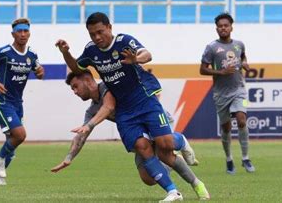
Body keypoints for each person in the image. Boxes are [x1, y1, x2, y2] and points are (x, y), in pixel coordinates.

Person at [56, 12, 185, 202]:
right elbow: (76, 68)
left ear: (109, 27)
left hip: (146, 106)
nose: (97, 37)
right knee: (147, 175)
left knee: (165, 147)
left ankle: (180, 143)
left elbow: (146, 54)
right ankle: (173, 191)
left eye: (100, 32)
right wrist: (66, 53)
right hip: (129, 116)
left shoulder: (123, 43)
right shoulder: (91, 52)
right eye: (92, 34)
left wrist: (136, 60)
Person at [51, 71, 210, 200]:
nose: (75, 92)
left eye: (75, 86)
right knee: (148, 178)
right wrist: (68, 158)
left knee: (164, 151)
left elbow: (112, 103)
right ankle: (174, 163)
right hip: (136, 130)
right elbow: (82, 135)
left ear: (88, 80)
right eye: (72, 89)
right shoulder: (92, 110)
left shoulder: (110, 86)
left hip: (151, 118)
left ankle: (190, 172)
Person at [0, 18, 45, 185]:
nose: (23, 34)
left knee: (12, 146)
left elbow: (40, 73)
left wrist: (40, 73)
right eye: (19, 31)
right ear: (13, 34)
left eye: (26, 31)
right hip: (2, 102)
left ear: (29, 33)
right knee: (20, 135)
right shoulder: (3, 52)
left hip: (18, 104)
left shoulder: (32, 55)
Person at [200, 12, 255, 174]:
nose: (223, 28)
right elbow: (202, 70)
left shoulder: (239, 44)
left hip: (239, 90)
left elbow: (243, 57)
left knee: (242, 119)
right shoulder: (211, 48)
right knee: (226, 127)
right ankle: (229, 159)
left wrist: (245, 63)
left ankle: (245, 158)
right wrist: (221, 72)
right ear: (216, 29)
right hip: (220, 94)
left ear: (231, 27)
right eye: (220, 26)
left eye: (226, 25)